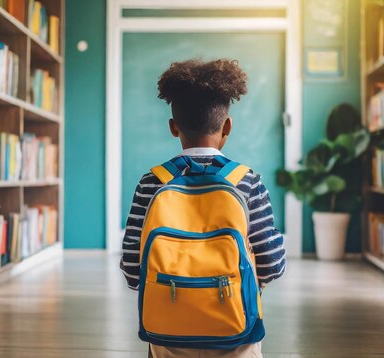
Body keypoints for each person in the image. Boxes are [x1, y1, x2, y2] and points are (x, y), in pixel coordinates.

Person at [120, 58, 286, 357]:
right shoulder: (246, 182)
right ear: (227, 127)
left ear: (173, 127)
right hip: (237, 330)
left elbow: (133, 271)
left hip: (166, 333)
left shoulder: (151, 183)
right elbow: (272, 264)